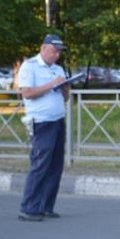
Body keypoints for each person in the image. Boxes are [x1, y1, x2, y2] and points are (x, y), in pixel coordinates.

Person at [16, 34, 70, 221]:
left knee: (55, 165)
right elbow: (27, 93)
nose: (57, 55)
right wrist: (51, 84)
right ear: (43, 48)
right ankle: (28, 207)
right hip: (41, 122)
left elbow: (66, 98)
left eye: (59, 53)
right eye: (54, 51)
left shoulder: (58, 69)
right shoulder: (30, 66)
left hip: (58, 120)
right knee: (40, 165)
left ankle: (46, 206)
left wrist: (65, 88)